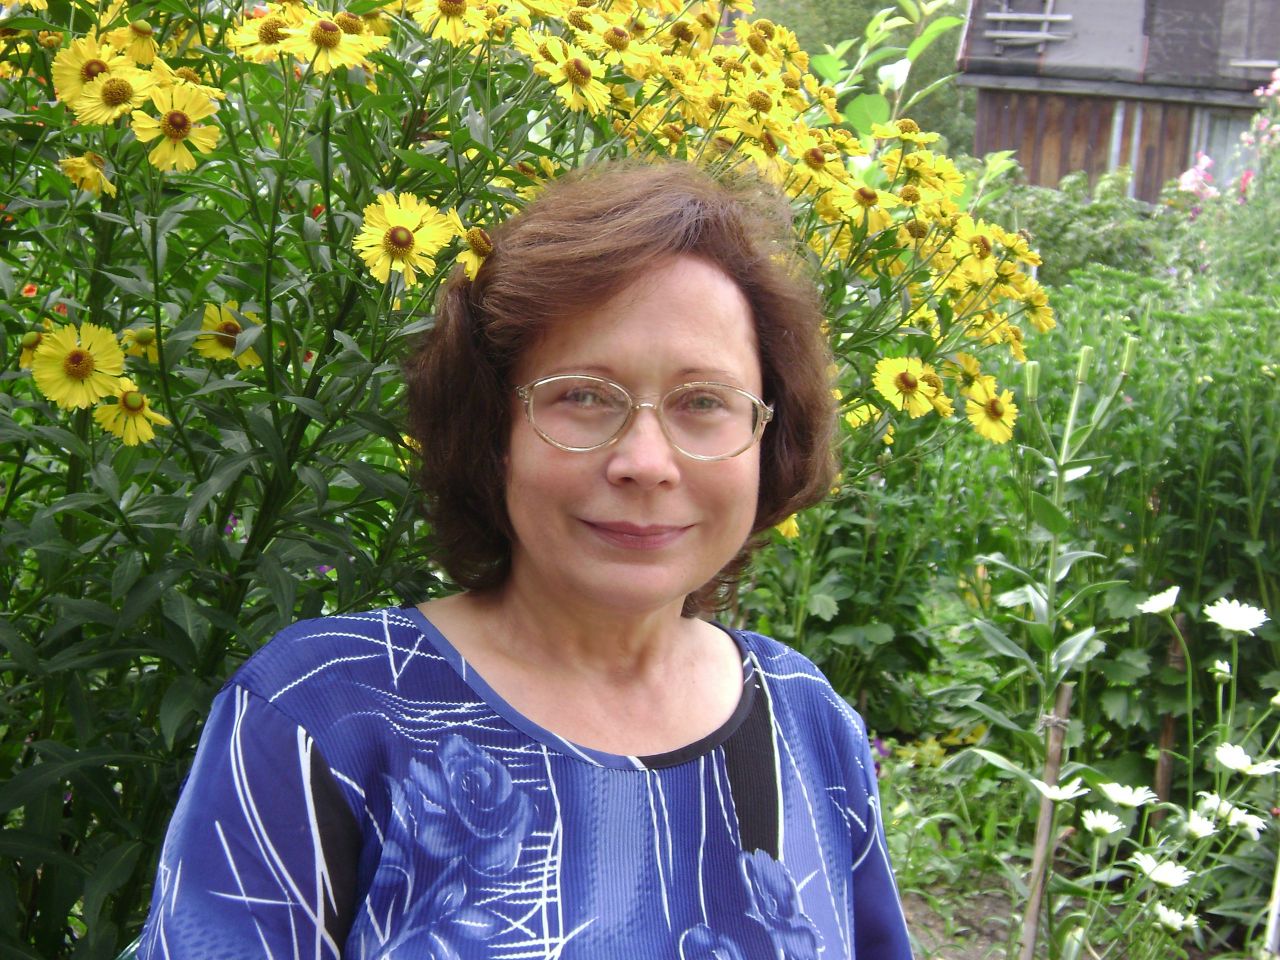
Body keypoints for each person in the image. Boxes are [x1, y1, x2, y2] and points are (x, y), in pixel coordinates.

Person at [136, 160, 913, 959]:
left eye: (704, 402)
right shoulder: (320, 713)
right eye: (584, 395)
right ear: (492, 432)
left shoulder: (807, 721)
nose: (646, 462)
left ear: (767, 436)